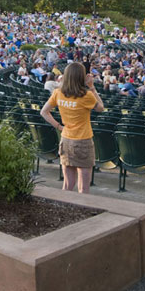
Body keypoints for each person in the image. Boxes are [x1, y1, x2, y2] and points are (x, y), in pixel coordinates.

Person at [40, 61, 105, 194]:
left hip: (66, 139)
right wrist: (92, 87)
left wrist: (59, 126)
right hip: (83, 141)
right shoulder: (86, 96)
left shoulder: (58, 93)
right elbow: (101, 108)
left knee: (68, 185)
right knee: (83, 188)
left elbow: (44, 112)